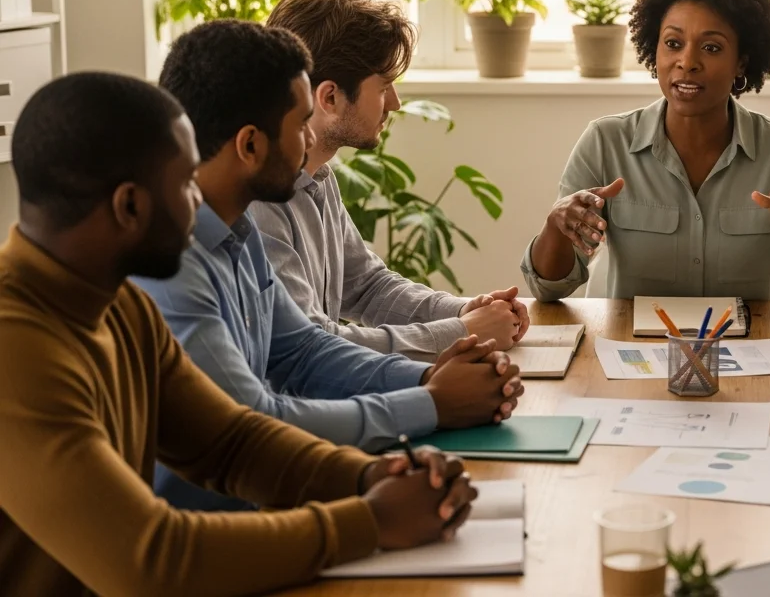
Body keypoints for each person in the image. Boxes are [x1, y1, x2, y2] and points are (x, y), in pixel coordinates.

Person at [0, 72, 477, 595]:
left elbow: (230, 442)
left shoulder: (119, 305)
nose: (198, 202)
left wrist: (366, 479)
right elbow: (150, 559)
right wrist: (370, 522)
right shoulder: (16, 349)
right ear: (129, 207)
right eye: (185, 183)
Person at [133, 20, 523, 511]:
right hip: (219, 524)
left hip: (279, 493)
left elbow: (303, 350)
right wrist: (433, 403)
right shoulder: (172, 266)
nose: (307, 142)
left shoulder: (236, 229)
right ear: (250, 145)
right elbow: (253, 419)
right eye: (299, 126)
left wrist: (427, 379)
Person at [521, 0, 770, 303]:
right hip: (632, 350)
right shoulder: (604, 142)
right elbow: (548, 288)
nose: (687, 62)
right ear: (653, 51)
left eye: (712, 48)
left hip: (749, 350)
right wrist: (555, 226)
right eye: (673, 44)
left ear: (740, 63)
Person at [253, 0, 528, 362]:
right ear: (329, 97)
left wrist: (463, 311)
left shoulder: (318, 176)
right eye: (383, 87)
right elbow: (312, 346)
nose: (395, 103)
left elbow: (367, 287)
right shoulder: (259, 200)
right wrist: (464, 332)